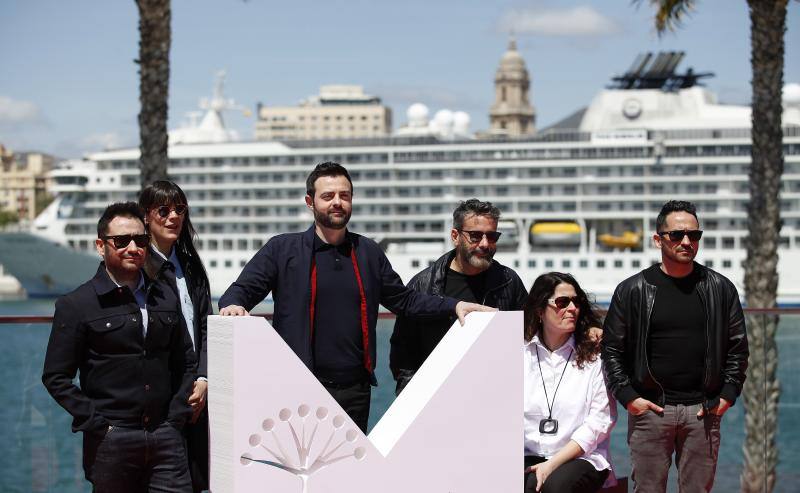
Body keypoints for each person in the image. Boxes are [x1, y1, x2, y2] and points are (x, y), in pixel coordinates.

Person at [219, 161, 492, 432]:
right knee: (303, 474)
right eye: (328, 196)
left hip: (356, 392)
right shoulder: (283, 250)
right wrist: (233, 304)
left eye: (344, 195)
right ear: (310, 202)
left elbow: (404, 300)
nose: (337, 202)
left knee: (348, 475)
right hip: (299, 388)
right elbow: (241, 291)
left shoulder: (367, 252)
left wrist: (454, 305)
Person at [42, 202, 195, 493]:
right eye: (121, 241)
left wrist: (175, 418)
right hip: (111, 440)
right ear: (101, 246)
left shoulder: (165, 296)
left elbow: (185, 359)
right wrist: (99, 425)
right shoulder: (76, 304)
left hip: (166, 435)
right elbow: (56, 378)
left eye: (141, 240)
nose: (133, 247)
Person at [602, 200, 749, 493]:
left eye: (694, 236)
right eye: (677, 235)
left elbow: (737, 349)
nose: (686, 242)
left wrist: (727, 397)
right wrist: (630, 397)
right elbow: (612, 349)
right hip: (651, 410)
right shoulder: (632, 289)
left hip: (704, 411)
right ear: (658, 239)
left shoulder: (720, 288)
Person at [389, 198, 527, 394]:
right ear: (455, 236)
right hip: (437, 396)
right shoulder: (423, 284)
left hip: (494, 396)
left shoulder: (509, 281)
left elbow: (530, 338)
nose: (485, 244)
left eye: (492, 236)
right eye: (475, 236)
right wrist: (413, 396)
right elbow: (403, 352)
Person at [140, 181, 211, 493]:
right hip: (163, 396)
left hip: (198, 390)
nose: (173, 217)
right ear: (146, 217)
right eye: (164, 210)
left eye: (180, 209)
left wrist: (205, 376)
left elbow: (207, 324)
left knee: (197, 480)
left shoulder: (190, 264)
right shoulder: (140, 268)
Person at [523, 272, 615, 493]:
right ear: (539, 310)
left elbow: (600, 421)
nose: (572, 308)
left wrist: (551, 464)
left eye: (576, 301)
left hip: (582, 456)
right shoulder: (520, 353)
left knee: (553, 487)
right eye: (563, 302)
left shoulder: (595, 355)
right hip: (528, 453)